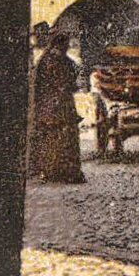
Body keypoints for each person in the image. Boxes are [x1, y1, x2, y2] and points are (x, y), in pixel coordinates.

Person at [29, 30, 85, 183]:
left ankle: (55, 171)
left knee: (55, 138)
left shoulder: (48, 59)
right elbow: (67, 80)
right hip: (58, 105)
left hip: (52, 105)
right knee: (60, 138)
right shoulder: (56, 61)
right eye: (66, 44)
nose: (67, 47)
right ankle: (61, 172)